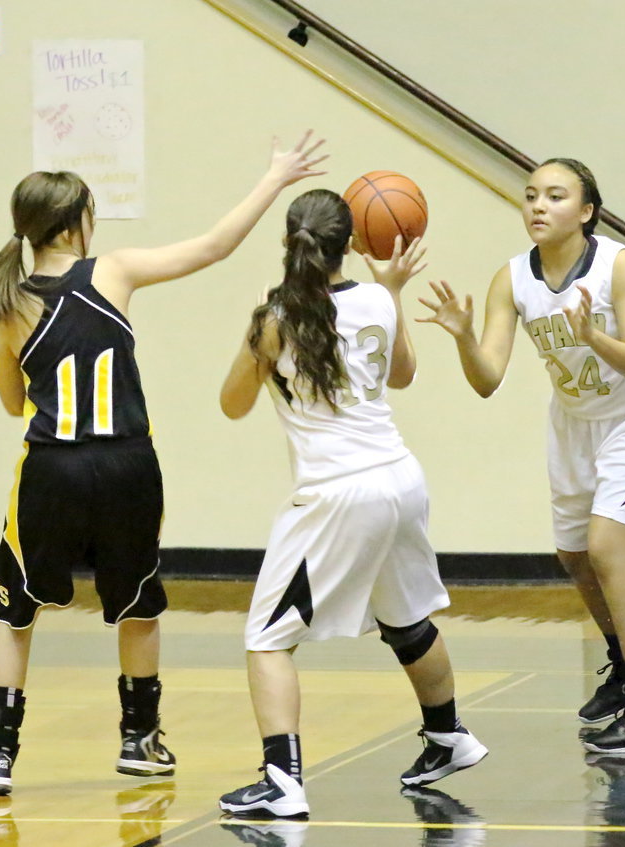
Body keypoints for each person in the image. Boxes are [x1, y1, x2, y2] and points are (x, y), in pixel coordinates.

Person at [0, 132, 327, 796]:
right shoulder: (113, 271)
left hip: (51, 468)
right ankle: (141, 740)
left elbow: (14, 401)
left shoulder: (8, 304)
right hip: (128, 465)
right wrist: (274, 178)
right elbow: (213, 246)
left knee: (15, 612)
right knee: (137, 605)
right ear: (77, 223)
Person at [217, 192, 488, 819]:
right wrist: (390, 291)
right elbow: (402, 376)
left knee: (267, 638)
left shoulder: (275, 318)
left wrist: (256, 338)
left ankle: (282, 783)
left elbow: (233, 403)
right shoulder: (373, 299)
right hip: (399, 478)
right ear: (352, 245)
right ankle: (448, 737)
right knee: (406, 618)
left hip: (337, 493)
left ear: (289, 243)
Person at [419, 158, 625, 753]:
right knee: (573, 556)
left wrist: (594, 337)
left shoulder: (617, 265)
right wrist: (465, 336)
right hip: (576, 421)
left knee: (607, 549)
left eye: (555, 196)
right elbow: (487, 378)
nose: (538, 206)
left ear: (587, 211)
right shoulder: (512, 277)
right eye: (530, 196)